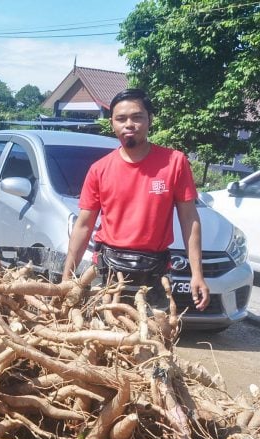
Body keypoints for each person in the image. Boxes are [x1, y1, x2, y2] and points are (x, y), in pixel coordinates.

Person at [62, 88, 209, 312]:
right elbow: (83, 225)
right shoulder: (99, 170)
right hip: (109, 273)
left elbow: (190, 219)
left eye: (137, 117)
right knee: (103, 337)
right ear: (112, 123)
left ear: (150, 120)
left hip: (155, 273)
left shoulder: (175, 163)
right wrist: (67, 279)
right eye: (121, 119)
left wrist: (197, 274)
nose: (129, 124)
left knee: (153, 339)